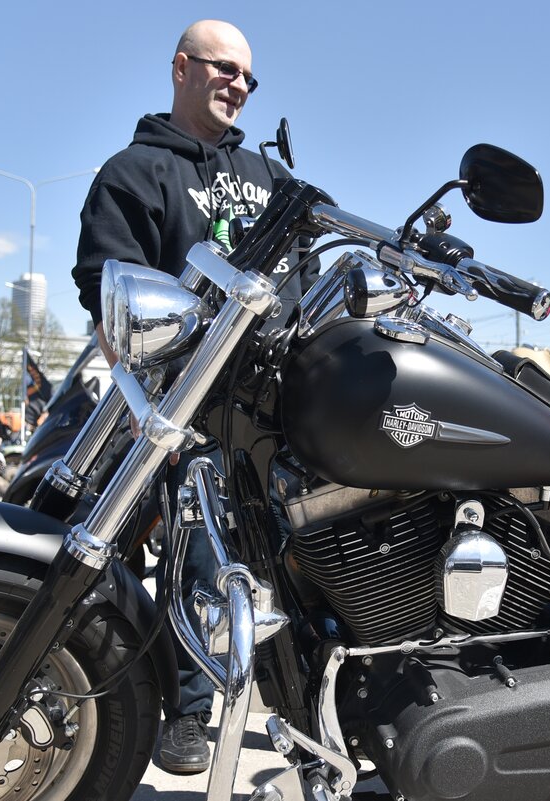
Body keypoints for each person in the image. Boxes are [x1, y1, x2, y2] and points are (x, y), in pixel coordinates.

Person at [70, 20, 316, 775]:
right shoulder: (135, 171)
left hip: (280, 406)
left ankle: (317, 714)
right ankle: (185, 708)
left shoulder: (272, 176)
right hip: (189, 404)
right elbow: (108, 293)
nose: (238, 85)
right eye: (224, 69)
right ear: (182, 67)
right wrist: (153, 410)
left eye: (248, 77)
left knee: (299, 559)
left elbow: (310, 275)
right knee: (194, 557)